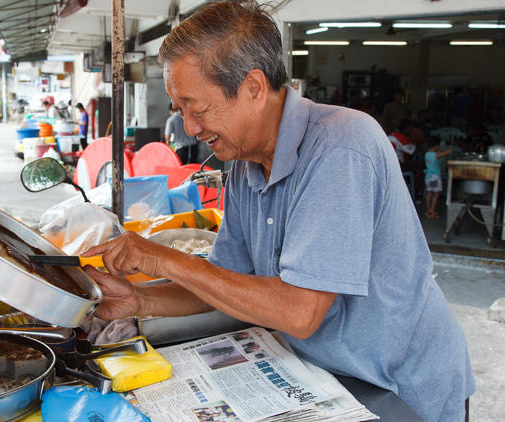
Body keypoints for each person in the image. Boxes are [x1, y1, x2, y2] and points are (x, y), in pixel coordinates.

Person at [81, 3, 474, 421]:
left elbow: (299, 313)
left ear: (253, 86)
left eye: (197, 108)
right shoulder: (245, 168)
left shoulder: (340, 146)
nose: (191, 128)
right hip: (328, 378)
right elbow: (226, 284)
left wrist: (161, 257)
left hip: (398, 388)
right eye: (181, 111)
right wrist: (140, 298)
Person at [424, 140, 453, 219]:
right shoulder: (436, 155)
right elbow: (448, 152)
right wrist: (450, 149)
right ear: (435, 146)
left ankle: (428, 210)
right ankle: (432, 210)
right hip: (435, 177)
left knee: (429, 193)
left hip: (428, 176)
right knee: (436, 194)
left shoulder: (427, 154)